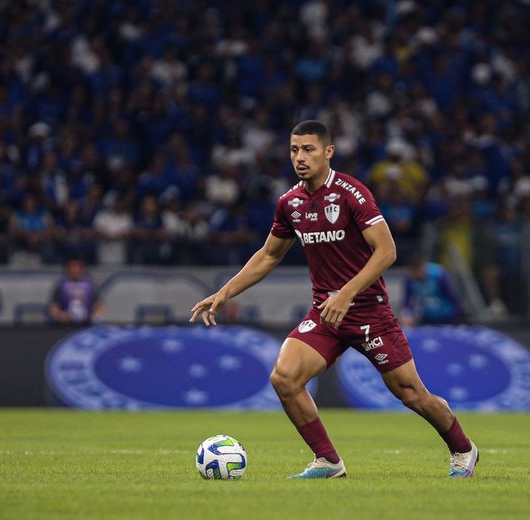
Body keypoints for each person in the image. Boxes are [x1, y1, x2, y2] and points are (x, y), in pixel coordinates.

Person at [190, 120, 478, 479]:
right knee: (285, 377)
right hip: (326, 313)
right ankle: (328, 461)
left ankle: (463, 449)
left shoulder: (352, 193)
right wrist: (224, 293)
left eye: (309, 149)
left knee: (412, 394)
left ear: (328, 152)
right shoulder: (289, 203)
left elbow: (387, 251)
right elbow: (268, 255)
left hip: (369, 312)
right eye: (294, 149)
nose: (300, 157)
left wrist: (347, 292)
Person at [401, 252, 465, 327]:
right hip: (426, 320)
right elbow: (406, 301)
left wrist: (458, 315)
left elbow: (453, 295)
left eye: (417, 270)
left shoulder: (439, 274)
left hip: (447, 319)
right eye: (412, 271)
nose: (415, 274)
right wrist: (407, 315)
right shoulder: (409, 279)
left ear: (422, 266)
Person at [48, 256, 105, 324]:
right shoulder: (60, 285)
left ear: (82, 269)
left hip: (86, 324)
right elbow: (54, 306)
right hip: (64, 324)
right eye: (72, 267)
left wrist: (96, 318)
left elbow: (99, 306)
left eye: (77, 267)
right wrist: (59, 316)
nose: (74, 270)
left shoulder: (91, 285)